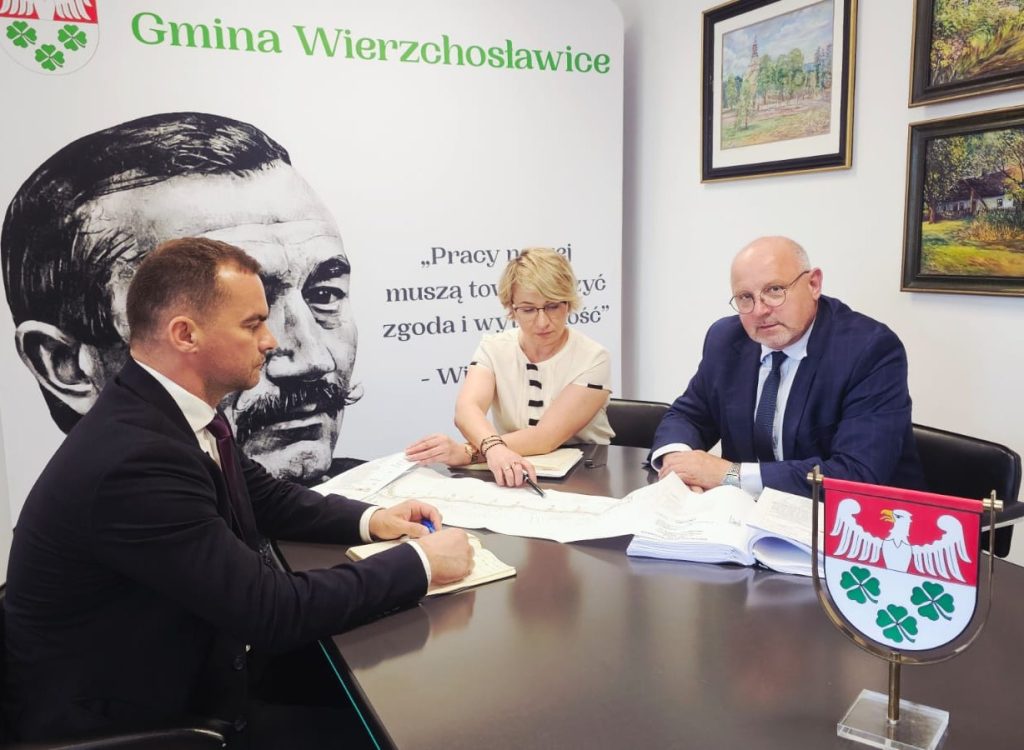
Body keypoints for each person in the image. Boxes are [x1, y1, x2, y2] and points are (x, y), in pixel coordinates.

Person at [2, 238, 474, 746]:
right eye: (253, 325)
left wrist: (371, 519)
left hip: (193, 664)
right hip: (139, 719)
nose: (270, 341)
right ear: (185, 334)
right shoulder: (134, 461)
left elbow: (265, 497)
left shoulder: (166, 410)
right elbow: (273, 612)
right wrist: (421, 564)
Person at [1, 111, 358, 486]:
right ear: (65, 366)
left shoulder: (362, 491)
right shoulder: (118, 507)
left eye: (324, 294)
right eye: (235, 311)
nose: (313, 360)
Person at [651, 236, 924, 497]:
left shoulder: (869, 349)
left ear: (814, 284)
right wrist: (678, 463)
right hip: (747, 515)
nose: (759, 310)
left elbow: (855, 475)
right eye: (745, 297)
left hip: (858, 520)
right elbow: (688, 416)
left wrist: (729, 474)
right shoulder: (726, 339)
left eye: (774, 290)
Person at [406, 247, 613, 486]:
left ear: (568, 304)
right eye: (528, 309)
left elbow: (546, 437)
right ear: (511, 309)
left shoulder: (593, 357)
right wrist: (494, 449)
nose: (542, 321)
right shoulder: (493, 348)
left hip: (585, 472)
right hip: (511, 463)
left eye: (553, 306)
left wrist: (467, 452)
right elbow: (467, 409)